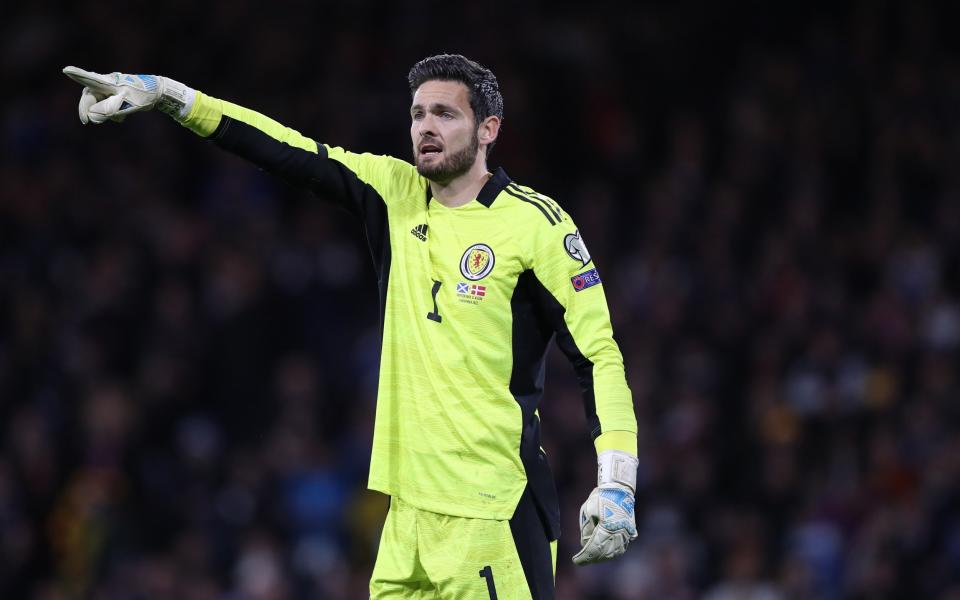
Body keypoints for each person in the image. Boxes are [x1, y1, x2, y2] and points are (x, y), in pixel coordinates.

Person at [63, 54, 639, 599]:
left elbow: (598, 354)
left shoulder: (536, 224)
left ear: (488, 129)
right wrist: (173, 97)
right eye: (417, 114)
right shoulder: (393, 193)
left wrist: (617, 479)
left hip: (493, 515)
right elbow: (284, 148)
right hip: (405, 524)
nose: (425, 127)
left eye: (445, 113)